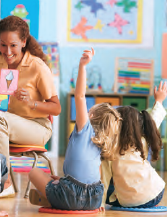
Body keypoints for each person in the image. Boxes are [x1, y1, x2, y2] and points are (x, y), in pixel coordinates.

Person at [0, 15, 61, 197]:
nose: (8, 51)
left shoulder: (37, 66)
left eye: (13, 45)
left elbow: (56, 108)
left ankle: (4, 182)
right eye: (3, 44)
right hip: (2, 122)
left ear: (23, 42)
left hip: (36, 127)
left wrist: (32, 103)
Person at [28, 48, 121, 211]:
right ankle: (57, 191)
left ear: (91, 116)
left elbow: (79, 96)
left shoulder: (85, 129)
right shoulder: (102, 140)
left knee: (34, 172)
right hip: (95, 197)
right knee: (55, 178)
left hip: (71, 194)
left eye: (89, 110)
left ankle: (52, 198)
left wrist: (82, 66)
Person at [100, 82, 167, 209]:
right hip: (156, 193)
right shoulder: (142, 138)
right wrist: (159, 100)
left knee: (107, 188)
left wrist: (101, 202)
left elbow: (104, 177)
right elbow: (155, 119)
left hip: (129, 201)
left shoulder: (109, 148)